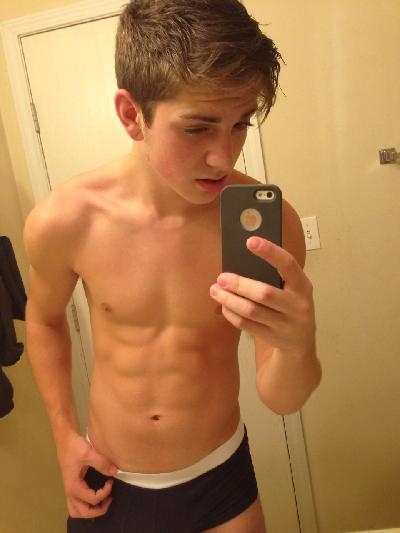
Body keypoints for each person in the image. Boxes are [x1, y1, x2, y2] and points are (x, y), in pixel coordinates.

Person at [23, 0, 321, 531]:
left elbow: (283, 399)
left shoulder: (271, 227)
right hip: (108, 480)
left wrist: (299, 344)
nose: (224, 157)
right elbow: (44, 321)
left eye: (239, 124)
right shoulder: (65, 220)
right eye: (198, 128)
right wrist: (64, 437)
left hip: (221, 481)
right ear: (132, 115)